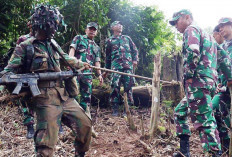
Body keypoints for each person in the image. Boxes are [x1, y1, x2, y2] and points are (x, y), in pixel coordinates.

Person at [0, 5, 91, 157]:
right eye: (53, 26)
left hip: (63, 95)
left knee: (85, 126)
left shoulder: (53, 44)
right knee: (46, 144)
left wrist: (80, 63)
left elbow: (66, 58)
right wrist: (18, 84)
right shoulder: (25, 47)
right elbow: (8, 72)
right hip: (43, 98)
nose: (55, 29)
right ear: (42, 25)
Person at [169, 9, 223, 156]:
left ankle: (214, 154)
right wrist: (228, 77)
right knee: (180, 112)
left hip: (197, 84)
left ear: (187, 18)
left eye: (176, 22)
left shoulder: (191, 29)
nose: (176, 26)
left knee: (204, 120)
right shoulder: (210, 37)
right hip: (206, 83)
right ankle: (184, 152)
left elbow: (193, 51)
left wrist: (188, 75)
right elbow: (223, 57)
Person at [103, 21, 139, 116]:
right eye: (118, 24)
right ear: (112, 28)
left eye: (121, 25)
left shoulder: (127, 38)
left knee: (128, 87)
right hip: (116, 68)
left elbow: (135, 50)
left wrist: (135, 60)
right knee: (115, 87)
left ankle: (127, 110)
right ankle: (115, 109)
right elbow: (108, 57)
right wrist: (106, 70)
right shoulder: (110, 41)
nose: (120, 26)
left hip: (128, 68)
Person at [69, 22, 103, 112]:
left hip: (88, 74)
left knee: (86, 96)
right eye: (90, 29)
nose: (92, 31)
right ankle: (73, 114)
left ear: (96, 32)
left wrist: (99, 75)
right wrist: (70, 64)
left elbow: (97, 62)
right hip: (76, 71)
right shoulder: (79, 38)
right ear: (86, 30)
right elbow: (72, 52)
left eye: (94, 30)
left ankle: (85, 115)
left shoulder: (96, 47)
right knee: (73, 94)